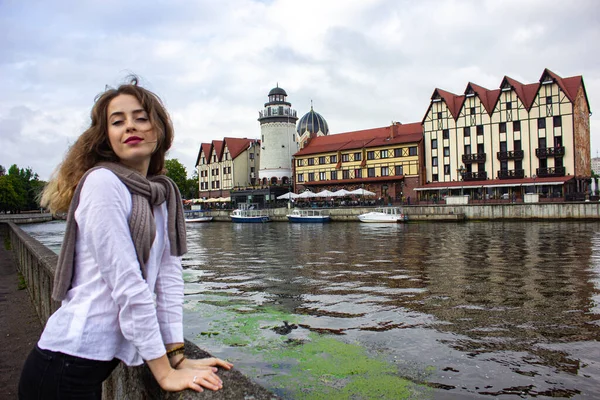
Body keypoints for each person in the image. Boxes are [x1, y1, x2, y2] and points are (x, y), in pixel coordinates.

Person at [18, 78, 233, 399]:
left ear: (159, 130)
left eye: (141, 117)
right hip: (62, 369)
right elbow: (128, 285)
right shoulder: (103, 184)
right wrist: (163, 373)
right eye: (117, 121)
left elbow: (169, 279)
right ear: (107, 138)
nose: (130, 125)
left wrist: (177, 356)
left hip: (88, 370)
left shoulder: (160, 195)